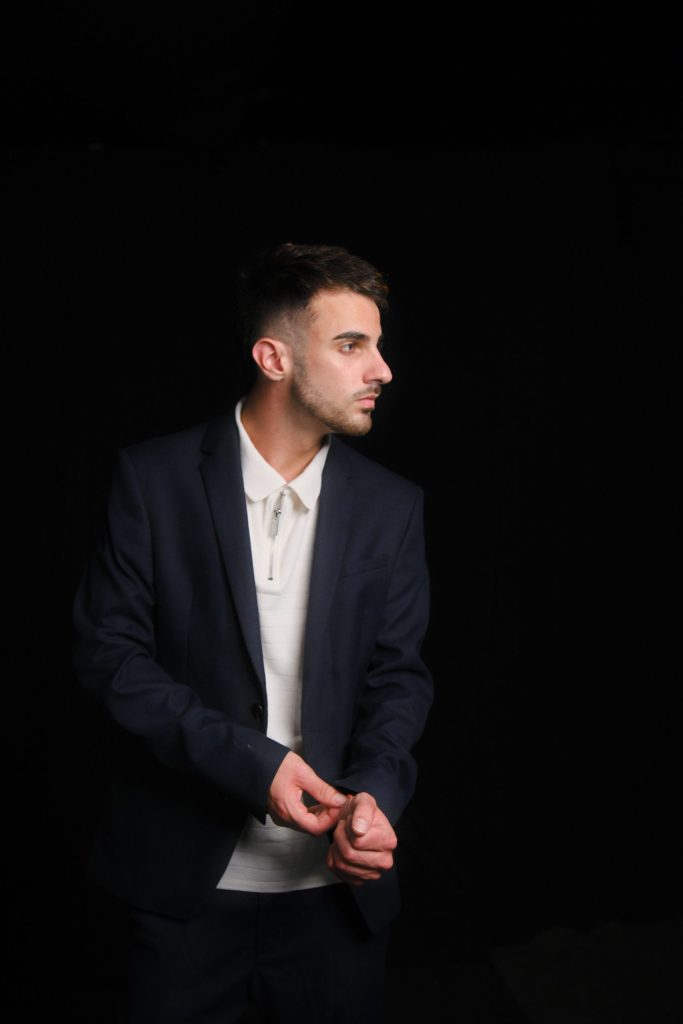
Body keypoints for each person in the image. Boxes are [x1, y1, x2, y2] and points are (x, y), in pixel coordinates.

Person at [73, 242, 433, 1023]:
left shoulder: (392, 505)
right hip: (182, 889)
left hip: (336, 899)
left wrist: (375, 794)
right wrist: (255, 766)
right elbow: (109, 658)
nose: (382, 369)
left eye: (377, 345)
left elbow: (398, 677)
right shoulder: (152, 478)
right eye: (351, 345)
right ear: (273, 357)